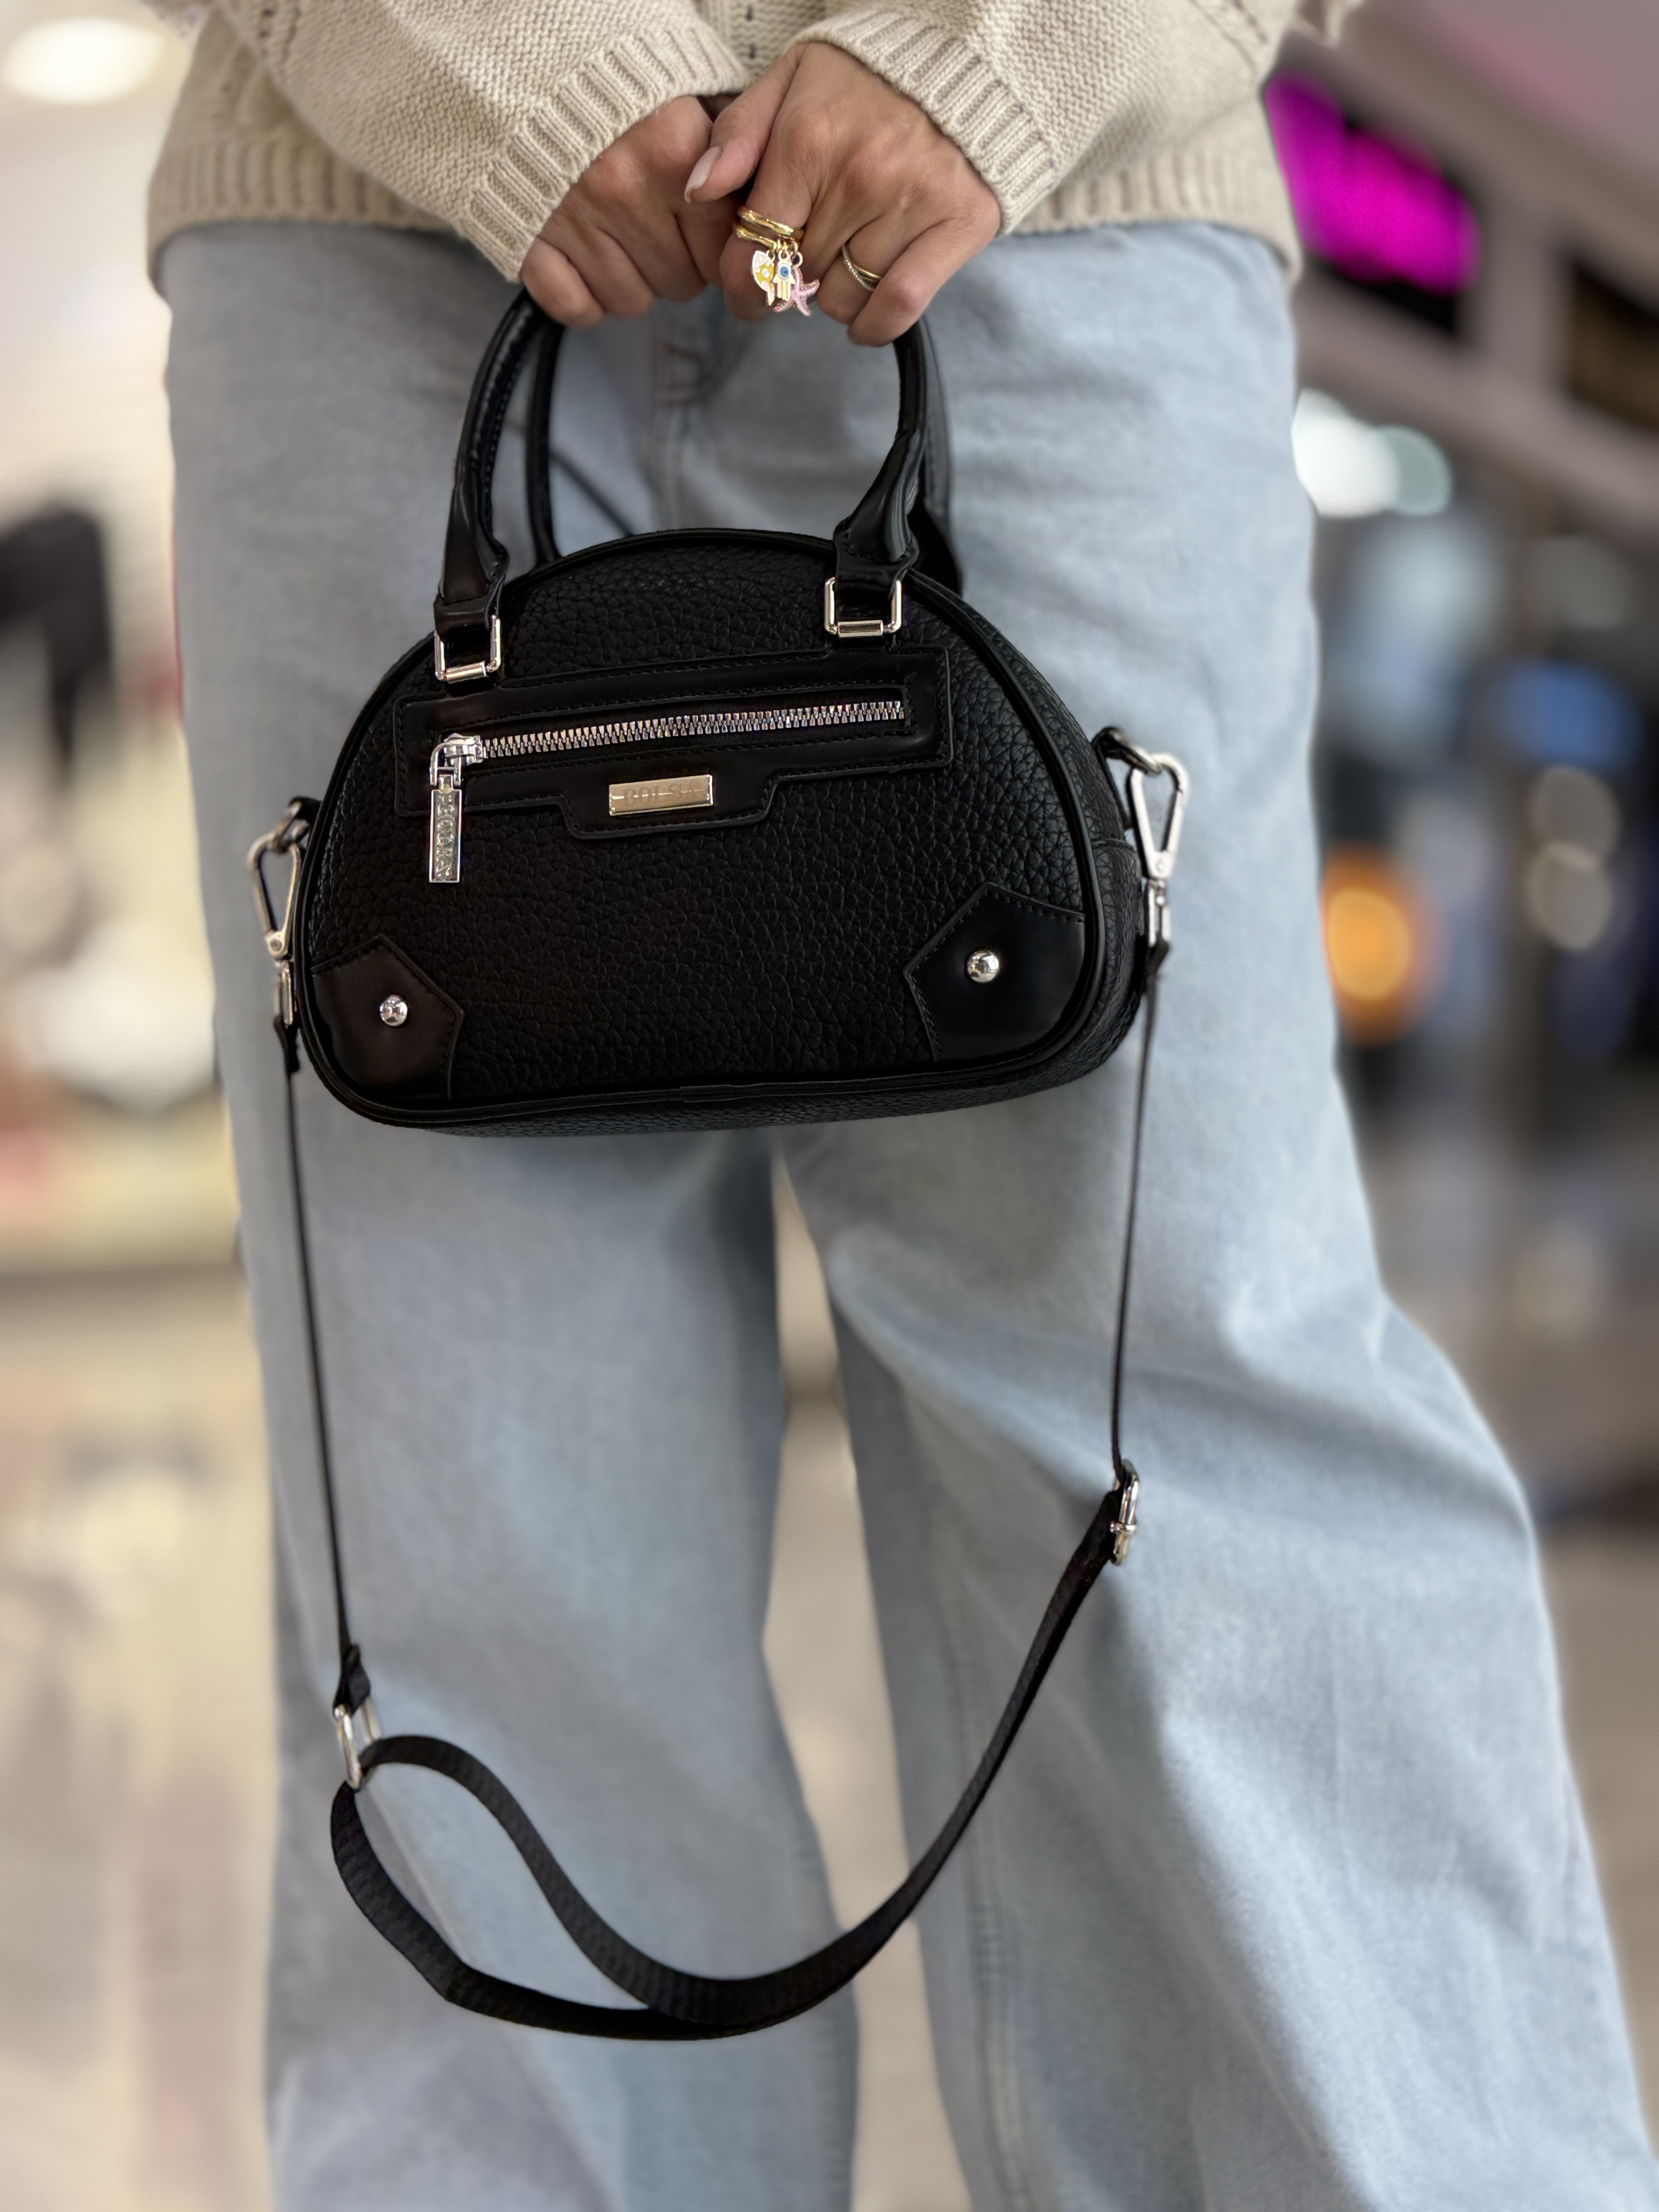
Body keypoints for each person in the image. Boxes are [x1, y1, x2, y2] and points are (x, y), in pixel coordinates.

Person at [151, 3, 1659, 2205]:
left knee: (1181, 1437)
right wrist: (477, 50)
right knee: (469, 1513)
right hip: (369, 218)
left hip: (1057, 221)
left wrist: (1005, 49)